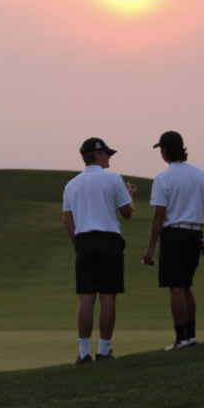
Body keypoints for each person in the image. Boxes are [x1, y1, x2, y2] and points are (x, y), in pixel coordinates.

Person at [63, 138, 137, 363]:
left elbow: (67, 220)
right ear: (96, 155)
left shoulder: (72, 184)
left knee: (85, 299)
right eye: (106, 153)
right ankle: (104, 351)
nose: (109, 156)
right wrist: (130, 197)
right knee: (107, 297)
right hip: (109, 240)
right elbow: (127, 213)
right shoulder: (114, 179)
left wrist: (78, 245)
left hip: (84, 240)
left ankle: (84, 353)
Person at [142, 131, 204, 350]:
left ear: (165, 151)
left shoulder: (163, 178)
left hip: (174, 234)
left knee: (175, 287)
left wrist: (150, 248)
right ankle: (190, 335)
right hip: (195, 234)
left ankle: (181, 338)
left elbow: (159, 215)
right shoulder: (200, 174)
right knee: (186, 286)